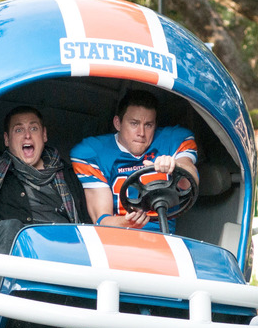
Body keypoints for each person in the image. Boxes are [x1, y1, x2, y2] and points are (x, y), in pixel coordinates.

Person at [0, 106, 89, 257]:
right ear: (7, 139)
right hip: (12, 261)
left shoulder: (71, 175)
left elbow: (91, 224)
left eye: (33, 128)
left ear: (44, 135)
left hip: (62, 254)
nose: (27, 135)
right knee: (10, 227)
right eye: (18, 130)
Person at [70, 89, 199, 232]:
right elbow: (101, 221)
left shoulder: (174, 140)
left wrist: (175, 167)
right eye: (134, 123)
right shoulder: (92, 152)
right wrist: (126, 222)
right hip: (118, 237)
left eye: (148, 125)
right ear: (118, 123)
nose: (141, 133)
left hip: (164, 238)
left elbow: (190, 181)